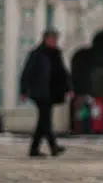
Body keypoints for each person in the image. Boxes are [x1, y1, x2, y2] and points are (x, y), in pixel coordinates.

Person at [20, 29, 70, 158]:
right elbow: (27, 72)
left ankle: (34, 149)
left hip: (52, 92)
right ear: (46, 39)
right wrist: (23, 90)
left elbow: (63, 72)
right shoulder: (37, 54)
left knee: (43, 121)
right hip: (40, 91)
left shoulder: (57, 54)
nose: (54, 41)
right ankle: (54, 147)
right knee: (46, 120)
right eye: (52, 39)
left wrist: (69, 88)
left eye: (55, 39)